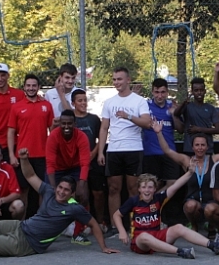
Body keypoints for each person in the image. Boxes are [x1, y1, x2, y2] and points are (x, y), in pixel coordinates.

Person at [0, 147, 119, 259]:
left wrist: (103, 247)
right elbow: (30, 175)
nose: (61, 192)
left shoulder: (74, 208)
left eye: (66, 190)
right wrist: (24, 159)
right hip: (20, 226)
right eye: (60, 188)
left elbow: (94, 224)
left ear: (72, 193)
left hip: (29, 244)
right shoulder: (49, 191)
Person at [115, 171, 219, 259]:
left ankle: (213, 245)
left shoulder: (158, 198)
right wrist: (122, 231)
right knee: (144, 236)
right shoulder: (133, 201)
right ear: (139, 189)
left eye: (150, 187)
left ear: (155, 189)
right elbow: (117, 215)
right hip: (140, 242)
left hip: (157, 236)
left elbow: (175, 186)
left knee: (179, 227)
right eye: (144, 187)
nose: (147, 190)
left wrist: (190, 172)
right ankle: (180, 252)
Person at [97, 67, 152, 228]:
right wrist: (101, 152)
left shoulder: (139, 101)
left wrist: (128, 116)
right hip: (114, 149)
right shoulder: (109, 102)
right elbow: (104, 128)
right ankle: (116, 226)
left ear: (128, 80)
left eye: (119, 79)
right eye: (114, 79)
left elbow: (147, 123)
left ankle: (135, 224)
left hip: (133, 148)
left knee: (133, 188)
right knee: (114, 188)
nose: (116, 82)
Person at [150, 120, 219, 234]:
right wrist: (159, 133)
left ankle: (212, 227)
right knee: (190, 206)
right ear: (192, 147)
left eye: (203, 145)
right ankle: (194, 226)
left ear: (207, 147)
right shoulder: (186, 160)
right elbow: (167, 151)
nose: (200, 148)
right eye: (197, 145)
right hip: (193, 201)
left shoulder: (215, 159)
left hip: (211, 201)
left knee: (211, 209)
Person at [6, 73, 55, 215]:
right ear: (24, 87)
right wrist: (11, 155)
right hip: (23, 156)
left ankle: (40, 220)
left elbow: (52, 130)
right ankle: (21, 222)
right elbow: (11, 132)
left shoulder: (46, 105)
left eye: (34, 85)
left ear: (38, 87)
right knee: (23, 190)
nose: (31, 88)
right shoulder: (16, 107)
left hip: (42, 155)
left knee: (41, 189)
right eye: (28, 85)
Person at [46, 109, 93, 245]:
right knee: (47, 194)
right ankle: (48, 230)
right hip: (57, 168)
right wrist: (53, 187)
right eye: (63, 123)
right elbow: (50, 163)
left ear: (75, 124)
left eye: (69, 123)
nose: (66, 126)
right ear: (60, 123)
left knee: (83, 196)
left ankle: (77, 233)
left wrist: (81, 185)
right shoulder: (53, 136)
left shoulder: (82, 136)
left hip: (75, 167)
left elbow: (85, 163)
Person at [72, 88, 108, 231]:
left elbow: (101, 138)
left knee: (98, 193)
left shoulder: (94, 119)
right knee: (81, 194)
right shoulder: (70, 120)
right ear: (73, 103)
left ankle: (100, 222)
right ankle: (83, 224)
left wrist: (94, 153)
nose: (83, 103)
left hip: (93, 160)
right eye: (80, 100)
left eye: (85, 100)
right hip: (77, 163)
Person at [142, 78, 179, 187]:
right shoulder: (145, 106)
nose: (160, 95)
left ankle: (159, 197)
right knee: (152, 185)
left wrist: (174, 115)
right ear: (152, 92)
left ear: (167, 92)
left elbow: (181, 129)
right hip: (151, 153)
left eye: (163, 92)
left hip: (170, 152)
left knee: (173, 184)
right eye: (157, 92)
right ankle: (155, 198)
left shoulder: (172, 105)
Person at [173, 77, 219, 154]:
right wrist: (183, 103)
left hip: (207, 149)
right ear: (192, 92)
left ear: (205, 91)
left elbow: (218, 130)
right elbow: (176, 114)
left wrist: (199, 129)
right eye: (196, 90)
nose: (199, 92)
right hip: (190, 149)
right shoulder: (187, 106)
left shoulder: (211, 108)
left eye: (201, 90)